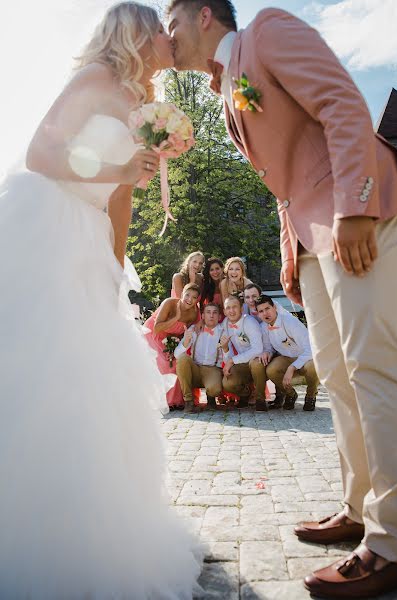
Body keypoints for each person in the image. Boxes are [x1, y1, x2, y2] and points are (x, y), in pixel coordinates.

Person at [167, 0, 397, 597]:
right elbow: (283, 187)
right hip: (314, 238)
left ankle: (392, 540)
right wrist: (292, 255)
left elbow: (344, 104)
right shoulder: (225, 92)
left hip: (360, 218)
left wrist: (356, 207)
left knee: (373, 368)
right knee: (341, 377)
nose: (165, 38)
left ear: (201, 16)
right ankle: (359, 508)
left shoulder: (267, 32)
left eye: (169, 23)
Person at [0, 3, 204, 596]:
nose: (169, 43)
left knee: (87, 378)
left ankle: (86, 520)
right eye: (159, 34)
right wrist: (118, 162)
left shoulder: (142, 106)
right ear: (136, 34)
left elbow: (121, 195)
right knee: (36, 366)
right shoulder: (93, 79)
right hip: (46, 228)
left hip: (90, 241)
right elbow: (43, 153)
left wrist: (115, 267)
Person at [256, 294, 319, 411]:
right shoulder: (264, 327)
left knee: (313, 366)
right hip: (286, 357)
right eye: (261, 311)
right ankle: (290, 394)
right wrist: (267, 352)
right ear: (258, 314)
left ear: (274, 307)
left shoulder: (290, 322)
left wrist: (292, 368)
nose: (265, 313)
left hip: (305, 357)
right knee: (271, 369)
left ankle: (311, 395)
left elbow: (311, 348)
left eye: (267, 309)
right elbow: (269, 347)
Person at [143, 283, 201, 409]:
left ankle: (178, 401)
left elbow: (186, 333)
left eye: (194, 297)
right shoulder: (169, 303)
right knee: (165, 363)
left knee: (177, 362)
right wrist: (176, 318)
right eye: (187, 295)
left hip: (172, 340)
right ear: (182, 294)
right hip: (153, 335)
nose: (190, 300)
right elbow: (156, 328)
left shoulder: (194, 313)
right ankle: (165, 401)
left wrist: (176, 346)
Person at [174, 302, 224, 412]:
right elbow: (176, 354)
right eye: (208, 312)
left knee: (215, 389)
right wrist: (186, 342)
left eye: (215, 313)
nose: (211, 316)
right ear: (202, 316)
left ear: (219, 316)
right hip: (195, 368)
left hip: (212, 369)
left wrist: (220, 371)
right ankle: (189, 402)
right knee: (182, 359)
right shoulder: (194, 329)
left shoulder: (223, 331)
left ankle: (211, 399)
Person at [220, 294, 266, 410]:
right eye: (228, 308)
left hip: (260, 360)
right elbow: (228, 356)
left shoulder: (249, 322)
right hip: (242, 363)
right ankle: (245, 394)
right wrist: (225, 349)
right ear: (224, 311)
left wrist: (232, 361)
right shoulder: (225, 324)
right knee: (227, 383)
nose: (231, 311)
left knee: (256, 363)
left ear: (241, 309)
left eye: (234, 307)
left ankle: (260, 399)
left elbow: (258, 349)